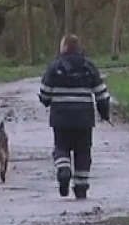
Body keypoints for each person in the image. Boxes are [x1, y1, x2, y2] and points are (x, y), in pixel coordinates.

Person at [38, 34, 111, 199]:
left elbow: (45, 93)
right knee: (83, 152)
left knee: (61, 147)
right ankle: (81, 186)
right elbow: (101, 93)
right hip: (84, 119)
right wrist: (104, 113)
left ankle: (64, 170)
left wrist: (46, 100)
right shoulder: (89, 66)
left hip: (61, 118)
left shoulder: (54, 67)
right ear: (79, 48)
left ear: (63, 48)